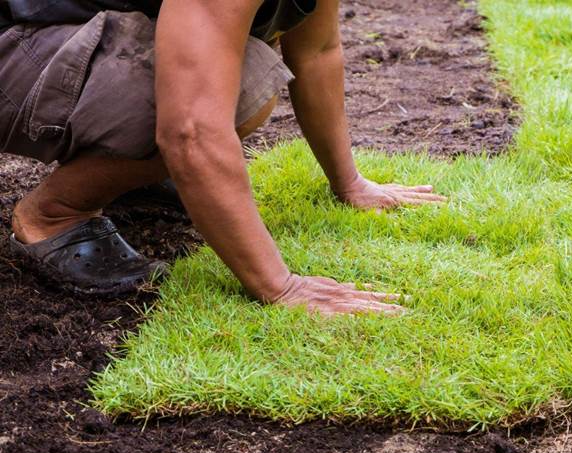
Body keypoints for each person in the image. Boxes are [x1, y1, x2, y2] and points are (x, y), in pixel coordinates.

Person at [0, 0, 446, 314]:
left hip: (60, 32)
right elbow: (191, 132)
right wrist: (281, 286)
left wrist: (349, 183)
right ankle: (56, 213)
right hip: (16, 43)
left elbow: (317, 52)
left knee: (231, 71)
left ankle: (129, 171)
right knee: (240, 89)